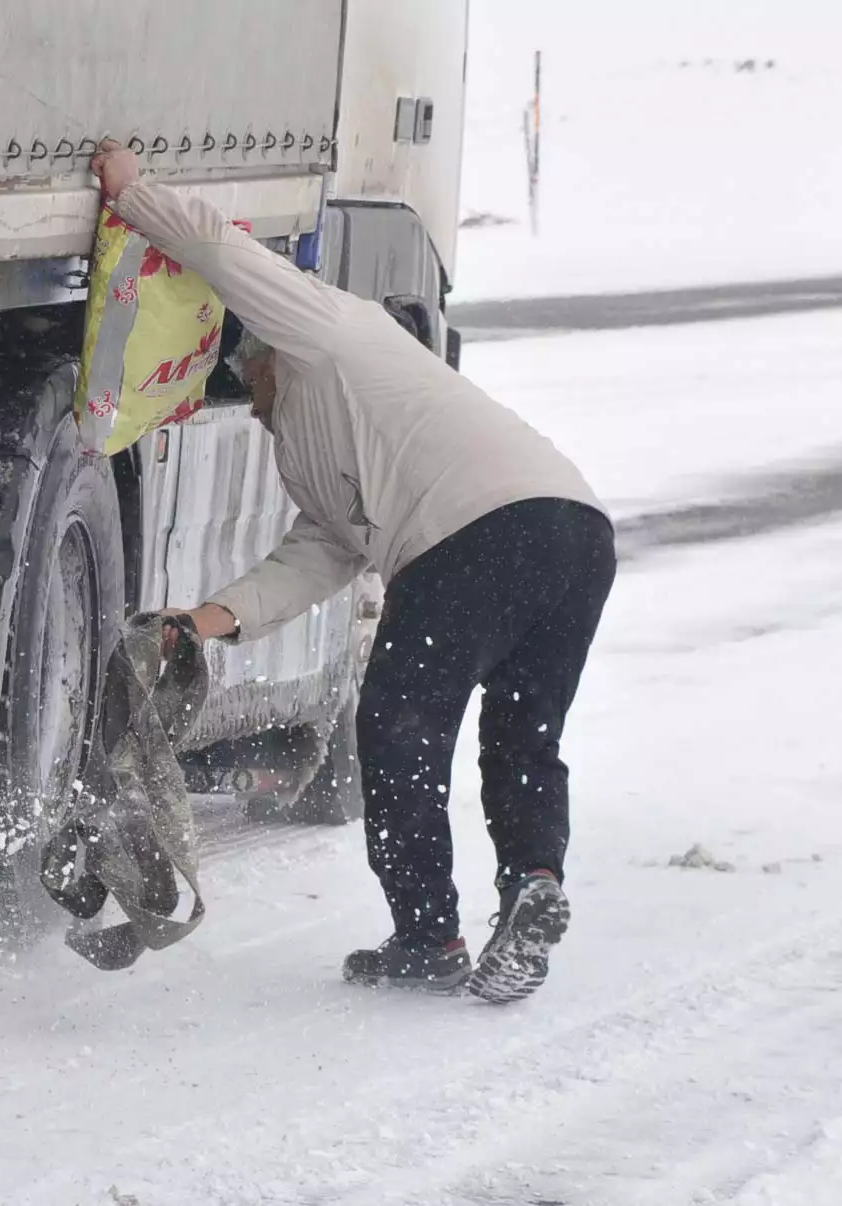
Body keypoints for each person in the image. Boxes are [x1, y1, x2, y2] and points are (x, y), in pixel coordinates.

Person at [92, 141, 614, 1004]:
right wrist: (205, 621)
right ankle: (535, 882)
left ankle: (427, 934)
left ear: (260, 356)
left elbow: (226, 254)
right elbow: (319, 554)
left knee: (400, 729)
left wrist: (134, 194)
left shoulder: (328, 336)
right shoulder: (313, 448)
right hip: (576, 533)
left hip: (476, 535)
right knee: (523, 736)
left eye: (239, 377)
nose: (244, 401)